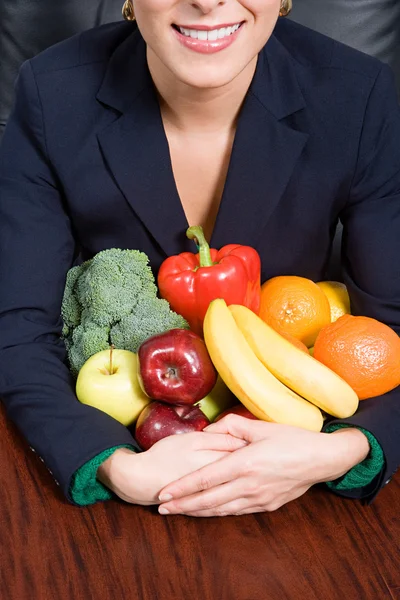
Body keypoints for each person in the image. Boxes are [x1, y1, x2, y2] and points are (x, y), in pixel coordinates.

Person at [0, 0, 399, 517]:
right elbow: (18, 324)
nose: (208, 2)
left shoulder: (359, 94)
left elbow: (394, 319)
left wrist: (341, 451)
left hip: (304, 447)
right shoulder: (52, 93)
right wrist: (111, 463)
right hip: (125, 448)